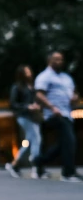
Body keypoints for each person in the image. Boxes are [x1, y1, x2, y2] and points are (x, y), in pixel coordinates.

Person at [33, 51, 81, 182]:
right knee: (70, 140)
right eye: (56, 59)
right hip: (54, 114)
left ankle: (39, 161)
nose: (59, 62)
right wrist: (52, 107)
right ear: (49, 60)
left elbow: (74, 92)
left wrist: (75, 98)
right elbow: (39, 95)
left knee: (63, 144)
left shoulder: (66, 77)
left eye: (61, 60)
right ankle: (68, 173)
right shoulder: (44, 76)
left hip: (68, 113)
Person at [5, 65, 42, 178]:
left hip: (33, 117)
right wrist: (27, 107)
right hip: (24, 116)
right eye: (26, 72)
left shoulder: (32, 87)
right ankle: (36, 166)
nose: (29, 74)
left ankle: (14, 164)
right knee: (36, 139)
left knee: (29, 141)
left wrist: (36, 106)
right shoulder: (17, 87)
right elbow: (13, 104)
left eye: (29, 71)